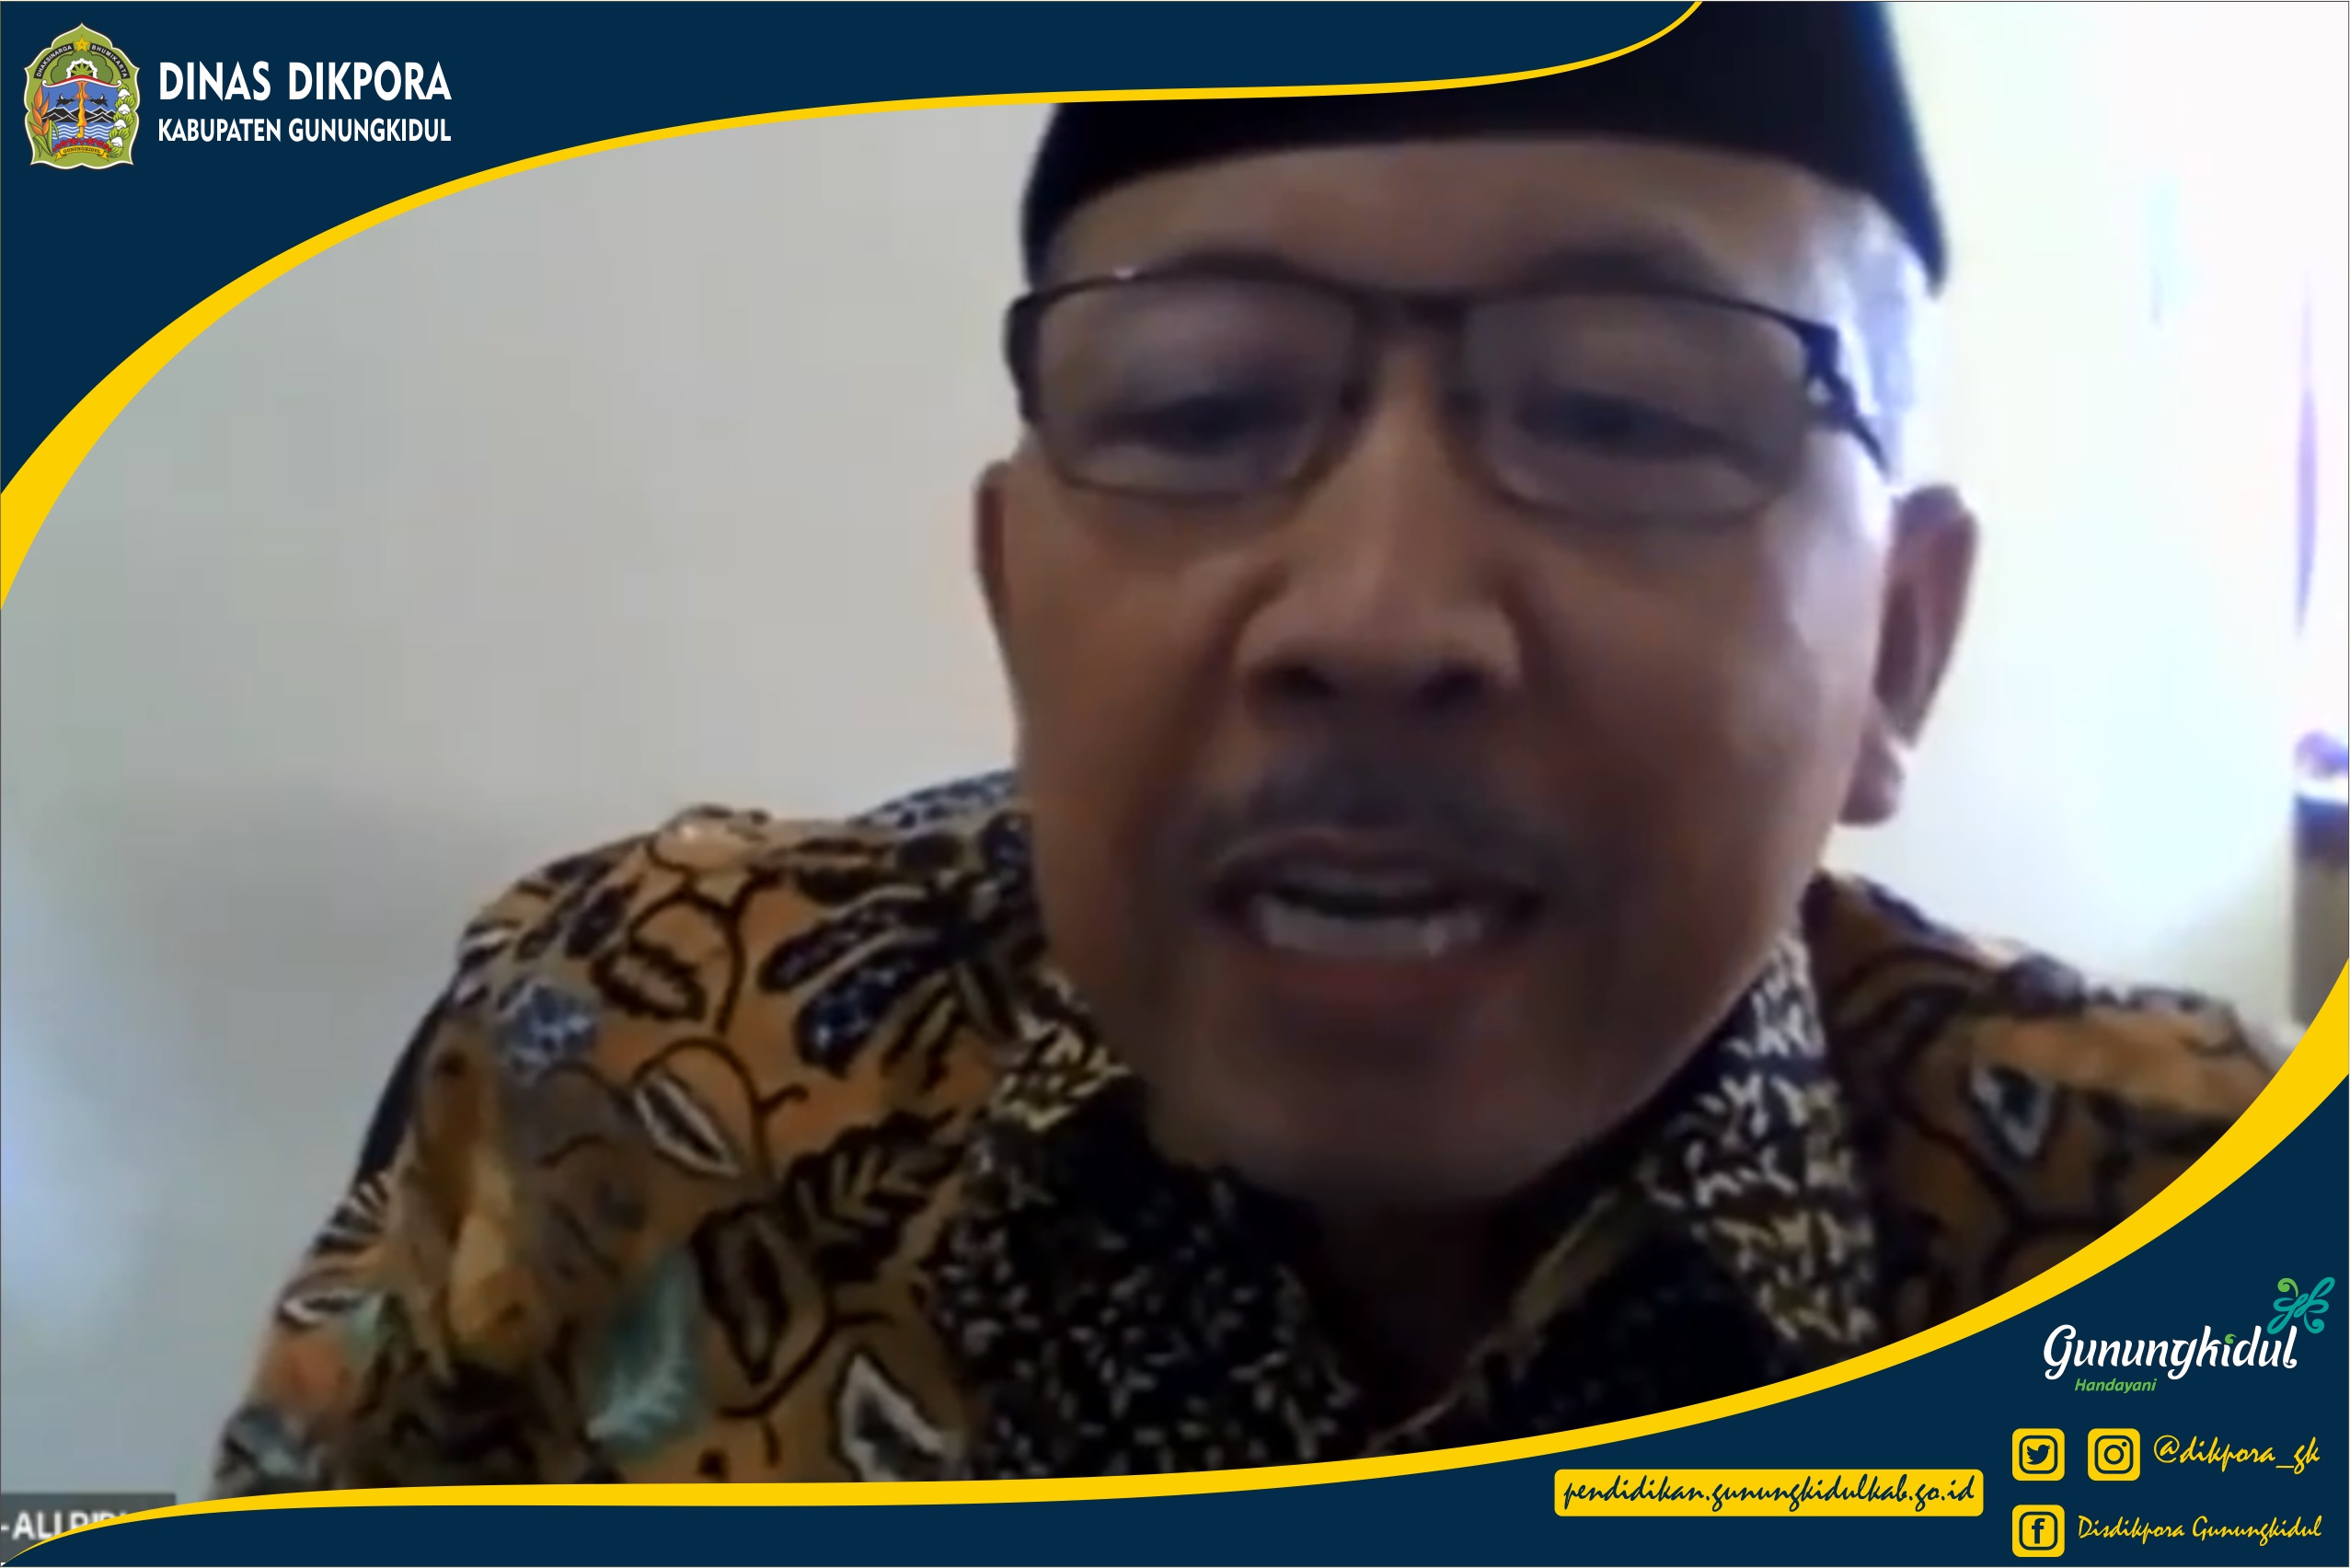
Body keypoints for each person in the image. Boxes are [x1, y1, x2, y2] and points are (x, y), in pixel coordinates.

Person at [213, 4, 2275, 1489]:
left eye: (1623, 415)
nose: (1376, 615)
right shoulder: (634, 1051)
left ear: (1896, 649)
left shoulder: (2198, 1246)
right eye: (1200, 409)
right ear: (1010, 598)